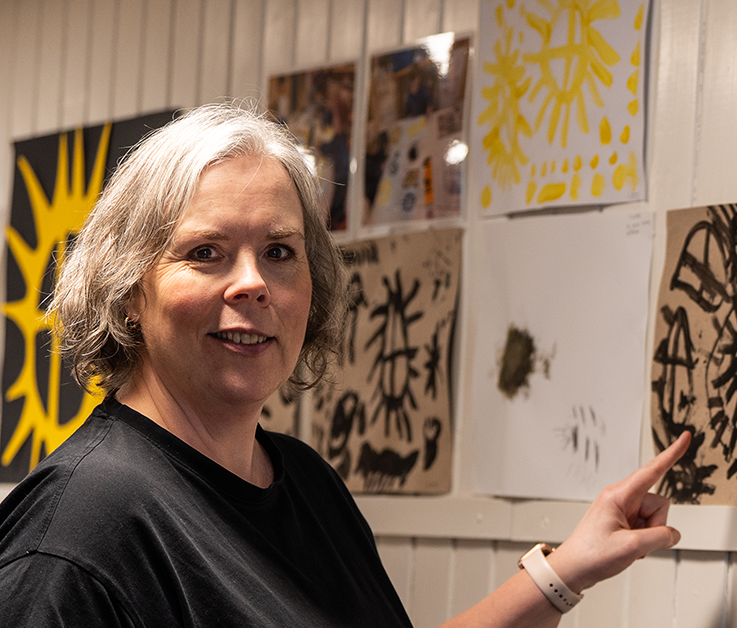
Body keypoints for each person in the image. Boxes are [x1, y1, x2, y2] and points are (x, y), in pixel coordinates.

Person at [0, 103, 689, 626]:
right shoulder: (81, 529)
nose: (253, 284)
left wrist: (564, 571)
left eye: (279, 252)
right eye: (205, 252)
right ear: (127, 293)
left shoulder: (303, 482)